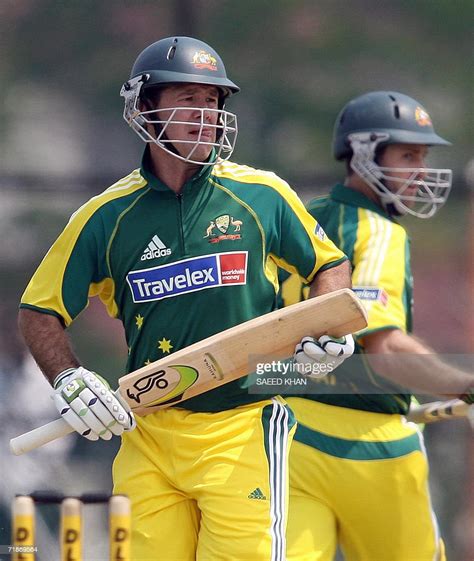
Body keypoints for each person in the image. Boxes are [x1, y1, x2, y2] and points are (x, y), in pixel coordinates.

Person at [18, 36, 354, 560]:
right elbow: (39, 311)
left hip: (242, 423)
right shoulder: (105, 217)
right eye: (188, 100)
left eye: (213, 101)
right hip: (147, 431)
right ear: (146, 108)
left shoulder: (261, 194)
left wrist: (325, 325)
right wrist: (69, 378)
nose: (206, 115)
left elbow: (328, 264)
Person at [281, 90, 474, 561]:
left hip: (285, 440)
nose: (422, 171)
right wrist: (467, 384)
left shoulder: (296, 220)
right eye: (409, 155)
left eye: (423, 156)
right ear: (364, 153)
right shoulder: (379, 230)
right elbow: (383, 349)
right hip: (373, 446)